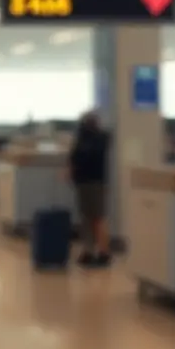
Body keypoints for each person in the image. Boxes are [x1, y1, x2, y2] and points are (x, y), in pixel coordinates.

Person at [68, 111, 111, 268]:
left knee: (96, 218)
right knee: (89, 218)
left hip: (92, 182)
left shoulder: (91, 140)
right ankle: (90, 251)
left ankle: (102, 251)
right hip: (89, 182)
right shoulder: (100, 138)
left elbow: (77, 157)